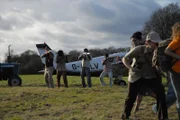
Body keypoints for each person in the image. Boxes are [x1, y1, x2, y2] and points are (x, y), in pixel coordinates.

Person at [121, 31, 168, 120]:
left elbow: (159, 65)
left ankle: (163, 117)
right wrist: (131, 68)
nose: (157, 45)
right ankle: (125, 116)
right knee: (131, 96)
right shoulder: (139, 49)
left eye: (158, 43)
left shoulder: (158, 52)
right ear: (148, 42)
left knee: (161, 93)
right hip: (136, 75)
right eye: (155, 43)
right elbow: (125, 59)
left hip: (150, 75)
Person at [129, 31, 156, 114]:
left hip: (144, 74)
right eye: (132, 41)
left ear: (139, 40)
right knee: (139, 93)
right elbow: (130, 59)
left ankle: (162, 100)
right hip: (136, 74)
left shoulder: (145, 48)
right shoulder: (132, 48)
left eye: (135, 41)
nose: (133, 43)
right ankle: (136, 108)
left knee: (148, 92)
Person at [165, 21, 180, 119]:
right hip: (176, 72)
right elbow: (167, 51)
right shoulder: (177, 40)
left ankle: (158, 107)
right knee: (179, 96)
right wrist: (179, 56)